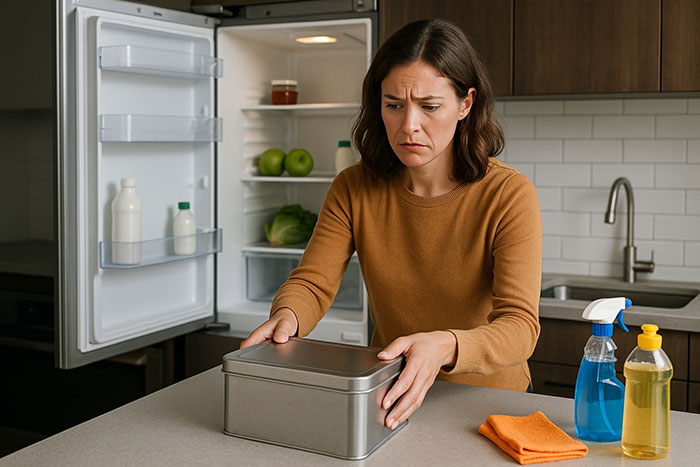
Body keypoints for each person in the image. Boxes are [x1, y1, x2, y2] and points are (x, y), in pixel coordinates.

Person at [241, 19, 542, 431]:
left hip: (488, 406)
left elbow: (520, 327)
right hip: (390, 395)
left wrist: (445, 344)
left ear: (465, 104)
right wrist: (287, 316)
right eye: (393, 105)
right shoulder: (354, 186)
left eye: (430, 106)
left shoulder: (508, 194)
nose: (408, 126)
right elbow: (312, 283)